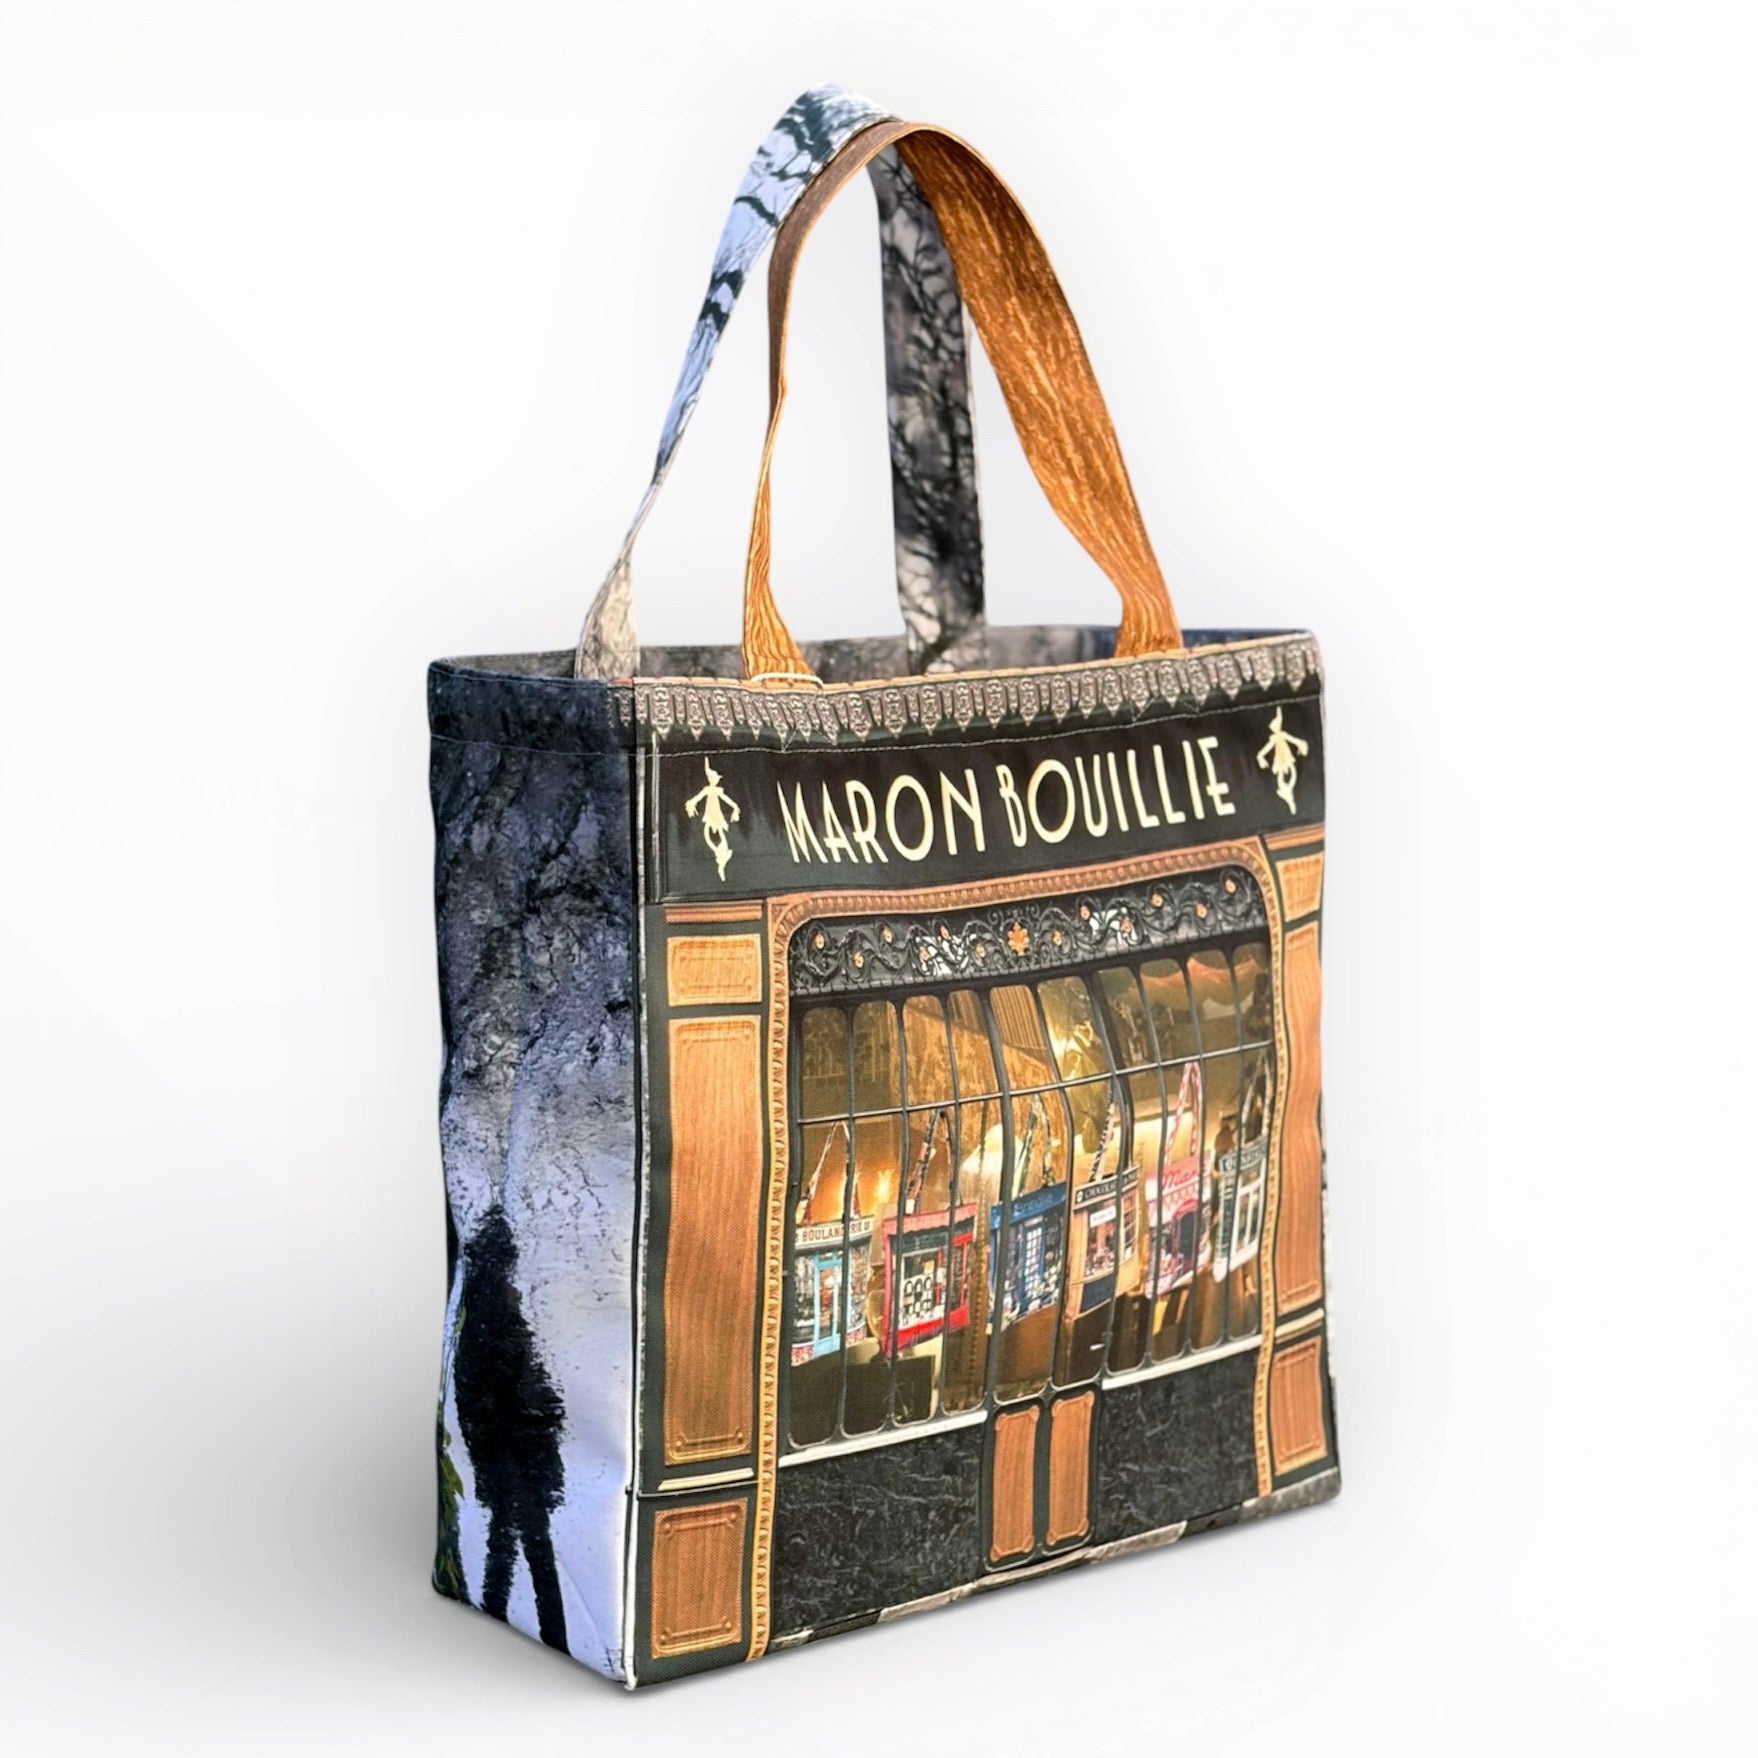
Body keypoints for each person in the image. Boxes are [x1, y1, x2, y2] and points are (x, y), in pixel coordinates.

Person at [452, 1207, 569, 1653]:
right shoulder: (500, 1311)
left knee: (505, 1541)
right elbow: (526, 1385)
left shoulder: (475, 1313)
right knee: (537, 1552)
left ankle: (496, 1609)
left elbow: (475, 1397)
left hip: (501, 1453)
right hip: (518, 1453)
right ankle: (552, 1634)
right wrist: (548, 1412)